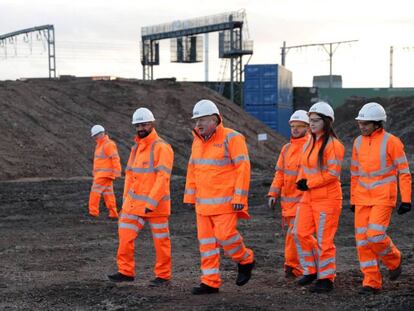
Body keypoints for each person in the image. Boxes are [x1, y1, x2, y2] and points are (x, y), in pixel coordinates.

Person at [184, 99, 255, 295]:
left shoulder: (232, 138)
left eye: (203, 120)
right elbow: (192, 170)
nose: (198, 124)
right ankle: (210, 282)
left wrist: (240, 198)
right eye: (196, 120)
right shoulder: (197, 142)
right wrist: (190, 197)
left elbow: (243, 168)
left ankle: (245, 259)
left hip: (225, 203)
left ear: (216, 119)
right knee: (206, 245)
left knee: (225, 237)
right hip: (203, 205)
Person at [108, 108, 174, 287]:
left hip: (156, 205)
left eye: (144, 124)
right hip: (134, 204)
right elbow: (130, 175)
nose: (140, 128)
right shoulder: (136, 148)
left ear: (152, 124)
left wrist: (151, 202)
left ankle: (163, 275)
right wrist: (126, 201)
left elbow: (163, 177)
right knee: (125, 235)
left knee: (161, 242)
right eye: (137, 125)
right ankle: (125, 271)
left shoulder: (162, 147)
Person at [350, 102, 412, 294]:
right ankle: (371, 282)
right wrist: (353, 199)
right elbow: (354, 173)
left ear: (378, 124)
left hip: (383, 197)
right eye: (360, 123)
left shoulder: (391, 141)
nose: (362, 127)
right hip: (361, 198)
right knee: (362, 241)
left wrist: (407, 199)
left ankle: (394, 260)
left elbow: (404, 172)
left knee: (374, 236)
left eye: (366, 124)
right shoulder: (358, 142)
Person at [293, 101, 345, 293]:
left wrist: (309, 183)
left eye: (316, 120)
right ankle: (311, 270)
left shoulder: (334, 145)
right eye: (310, 120)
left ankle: (326, 277)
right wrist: (301, 182)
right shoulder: (309, 141)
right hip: (308, 197)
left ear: (326, 122)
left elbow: (332, 173)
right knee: (299, 232)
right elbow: (304, 167)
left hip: (327, 199)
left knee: (325, 241)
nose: (312, 123)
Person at [267, 110, 310, 278]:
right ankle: (293, 266)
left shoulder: (310, 147)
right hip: (288, 202)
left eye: (299, 126)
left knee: (296, 234)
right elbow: (280, 174)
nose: (295, 129)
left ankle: (296, 266)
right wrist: (273, 194)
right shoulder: (286, 149)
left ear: (307, 127)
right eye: (293, 126)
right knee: (292, 235)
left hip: (303, 200)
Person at [89, 125, 121, 219]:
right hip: (103, 174)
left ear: (101, 133)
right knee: (108, 194)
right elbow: (99, 162)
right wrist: (95, 172)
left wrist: (117, 171)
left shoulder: (108, 144)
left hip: (104, 175)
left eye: (95, 135)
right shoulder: (100, 145)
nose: (94, 138)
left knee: (95, 192)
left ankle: (93, 212)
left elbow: (115, 158)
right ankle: (113, 214)